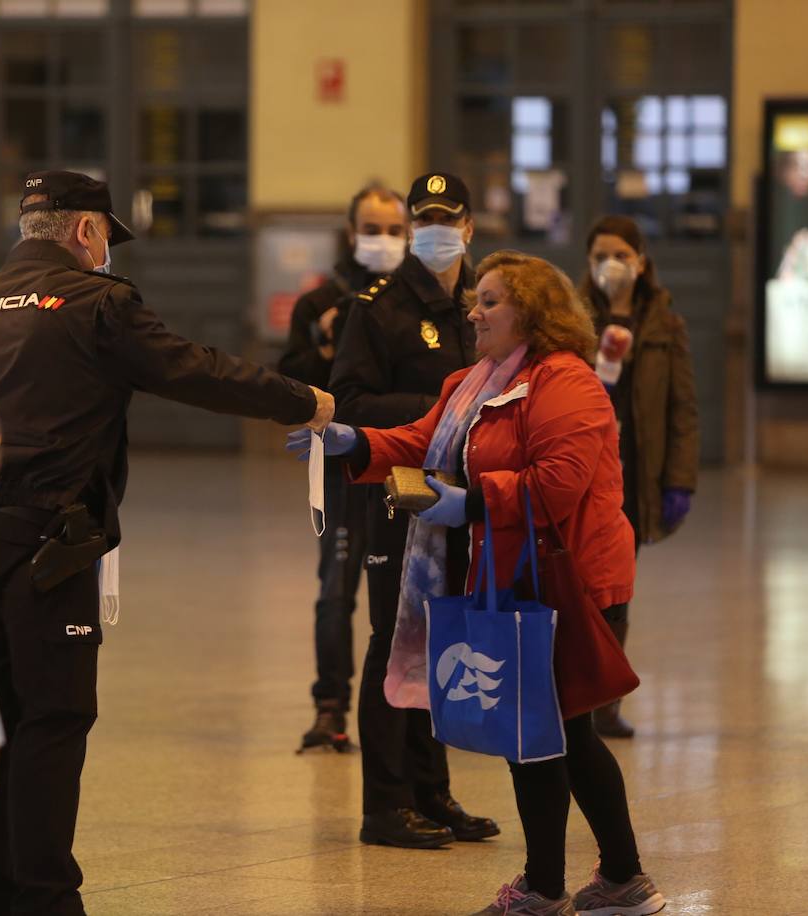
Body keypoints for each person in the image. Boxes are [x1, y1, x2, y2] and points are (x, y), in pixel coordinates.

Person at [0, 168, 333, 915]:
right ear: (86, 231)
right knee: (51, 719)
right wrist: (302, 401)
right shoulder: (96, 302)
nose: (105, 254)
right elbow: (195, 370)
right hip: (47, 548)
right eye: (104, 240)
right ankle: (48, 899)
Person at [295, 251, 665, 916]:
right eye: (477, 300)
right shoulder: (475, 381)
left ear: (533, 311)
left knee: (548, 735)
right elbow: (421, 440)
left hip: (572, 583)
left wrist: (467, 503)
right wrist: (354, 443)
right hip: (520, 576)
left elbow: (559, 482)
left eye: (491, 301)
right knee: (557, 735)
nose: (473, 311)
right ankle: (615, 881)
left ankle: (553, 888)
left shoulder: (568, 382)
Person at [329, 171, 496, 850]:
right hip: (399, 497)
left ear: (468, 227)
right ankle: (385, 804)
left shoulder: (483, 302)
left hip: (461, 501)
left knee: (443, 641)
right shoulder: (378, 307)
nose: (434, 231)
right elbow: (349, 402)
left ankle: (433, 792)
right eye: (422, 218)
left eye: (446, 218)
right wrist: (440, 416)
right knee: (391, 643)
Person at [279, 183, 408, 751]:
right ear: (352, 233)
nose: (382, 240)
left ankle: (411, 705)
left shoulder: (411, 303)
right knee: (336, 589)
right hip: (336, 468)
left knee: (409, 589)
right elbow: (289, 378)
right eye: (371, 229)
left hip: (399, 465)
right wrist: (328, 348)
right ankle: (329, 706)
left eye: (393, 230)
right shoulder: (319, 303)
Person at [579, 215, 699, 739]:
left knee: (617, 592)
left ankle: (604, 701)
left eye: (621, 255)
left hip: (634, 478)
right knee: (574, 588)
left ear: (641, 262)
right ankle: (570, 696)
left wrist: (679, 480)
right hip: (582, 474)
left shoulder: (664, 323)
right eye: (602, 254)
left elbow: (683, 408)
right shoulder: (571, 317)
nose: (611, 265)